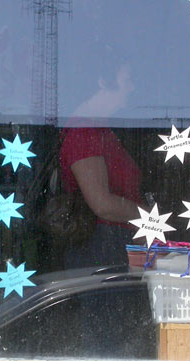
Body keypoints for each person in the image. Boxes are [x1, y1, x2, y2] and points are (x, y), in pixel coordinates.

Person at [59, 64, 143, 269]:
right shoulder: (84, 133)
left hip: (112, 245)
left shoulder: (99, 131)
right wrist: (149, 218)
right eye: (127, 80)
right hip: (102, 249)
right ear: (103, 82)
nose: (132, 88)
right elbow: (102, 204)